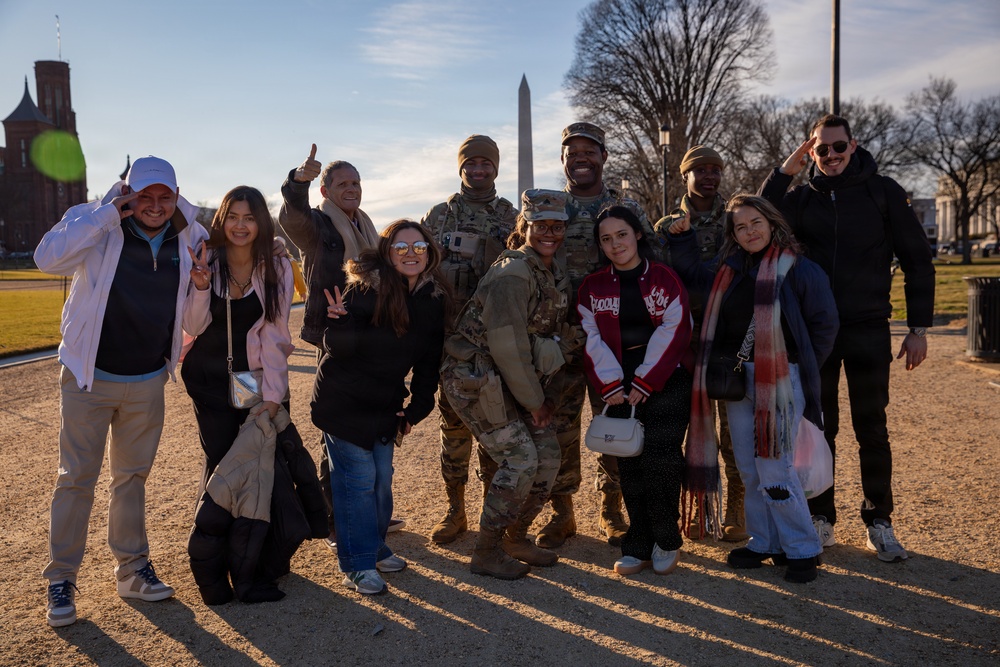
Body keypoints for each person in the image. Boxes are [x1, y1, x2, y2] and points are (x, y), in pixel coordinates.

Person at [35, 156, 209, 627]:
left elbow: (194, 322)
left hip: (147, 379)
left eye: (163, 196)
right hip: (89, 376)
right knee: (75, 478)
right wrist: (109, 211)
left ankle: (132, 571)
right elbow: (47, 258)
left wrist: (199, 286)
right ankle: (61, 579)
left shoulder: (192, 236)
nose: (154, 205)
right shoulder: (96, 219)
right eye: (143, 195)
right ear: (128, 192)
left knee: (130, 480)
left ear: (175, 196)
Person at [759, 114, 935, 562]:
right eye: (822, 150)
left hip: (868, 325)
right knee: (819, 426)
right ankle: (822, 516)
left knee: (872, 426)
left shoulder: (884, 192)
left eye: (840, 147)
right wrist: (786, 170)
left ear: (853, 146)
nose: (832, 156)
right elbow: (759, 214)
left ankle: (879, 519)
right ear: (810, 152)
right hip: (815, 331)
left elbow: (917, 259)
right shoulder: (800, 199)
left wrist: (918, 329)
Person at [670, 193, 839, 583]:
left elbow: (824, 327)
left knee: (774, 466)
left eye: (755, 223)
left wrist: (797, 366)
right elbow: (694, 278)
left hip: (780, 379)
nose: (749, 232)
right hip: (737, 379)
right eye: (740, 227)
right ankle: (765, 541)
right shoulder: (729, 269)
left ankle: (802, 547)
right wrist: (681, 240)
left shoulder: (800, 270)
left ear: (772, 223)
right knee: (748, 467)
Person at [181, 186, 315, 604]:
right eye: (233, 216)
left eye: (249, 217)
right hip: (208, 379)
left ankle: (259, 560)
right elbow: (193, 324)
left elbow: (277, 335)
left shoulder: (274, 263)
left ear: (262, 222)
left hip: (254, 380)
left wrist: (274, 397)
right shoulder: (207, 257)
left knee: (264, 466)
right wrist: (201, 285)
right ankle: (216, 562)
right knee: (223, 464)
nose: (241, 225)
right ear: (222, 219)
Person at [441, 190, 575, 580]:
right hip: (474, 376)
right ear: (525, 227)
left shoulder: (547, 269)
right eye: (540, 225)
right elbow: (507, 345)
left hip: (504, 379)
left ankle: (516, 537)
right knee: (521, 458)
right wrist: (534, 402)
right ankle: (486, 551)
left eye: (557, 226)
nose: (550, 233)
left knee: (548, 453)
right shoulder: (513, 272)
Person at [311, 220, 450, 595]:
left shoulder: (431, 299)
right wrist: (337, 325)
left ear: (429, 252)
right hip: (344, 401)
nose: (410, 254)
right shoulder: (362, 290)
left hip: (385, 403)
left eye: (418, 247)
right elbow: (338, 349)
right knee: (356, 483)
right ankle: (357, 564)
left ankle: (373, 545)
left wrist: (417, 408)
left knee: (380, 481)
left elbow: (428, 362)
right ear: (388, 253)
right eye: (401, 247)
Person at [538, 121, 656, 550]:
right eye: (573, 152)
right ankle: (562, 514)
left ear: (604, 157)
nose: (582, 159)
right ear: (564, 160)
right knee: (559, 431)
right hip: (560, 341)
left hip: (614, 342)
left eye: (590, 151)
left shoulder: (624, 210)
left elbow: (654, 263)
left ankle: (612, 511)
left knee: (615, 423)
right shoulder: (549, 209)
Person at [277, 146, 402, 545]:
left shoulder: (367, 226)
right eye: (343, 183)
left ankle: (365, 509)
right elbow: (291, 216)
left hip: (371, 334)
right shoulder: (316, 225)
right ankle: (335, 517)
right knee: (337, 425)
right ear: (325, 192)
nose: (352, 188)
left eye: (356, 182)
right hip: (333, 334)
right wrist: (298, 181)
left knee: (364, 419)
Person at [578, 206, 693, 576]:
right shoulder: (592, 287)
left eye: (622, 234)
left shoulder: (663, 278)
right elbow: (589, 337)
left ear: (638, 234)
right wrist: (612, 385)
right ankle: (638, 543)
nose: (615, 244)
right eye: (606, 239)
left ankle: (666, 539)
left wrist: (646, 380)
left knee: (661, 460)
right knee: (628, 463)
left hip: (666, 379)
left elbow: (677, 328)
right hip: (617, 387)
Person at [420, 135, 516, 545]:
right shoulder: (440, 216)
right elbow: (418, 270)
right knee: (454, 428)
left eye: (485, 163)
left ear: (496, 167)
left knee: (495, 427)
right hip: (450, 340)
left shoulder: (513, 216)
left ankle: (488, 514)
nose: (478, 170)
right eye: (470, 164)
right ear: (460, 169)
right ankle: (454, 510)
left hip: (497, 342)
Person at [654, 145, 746, 542]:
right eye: (701, 170)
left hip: (730, 336)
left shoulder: (736, 220)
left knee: (733, 431)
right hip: (685, 338)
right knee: (681, 428)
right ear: (685, 176)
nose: (709, 176)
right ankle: (689, 511)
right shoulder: (668, 226)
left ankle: (736, 508)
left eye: (715, 170)